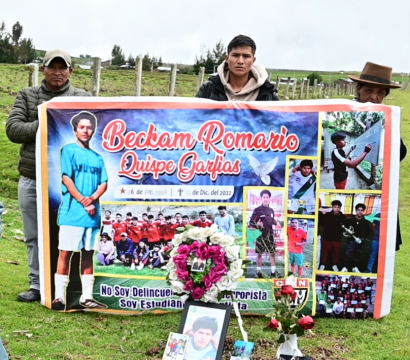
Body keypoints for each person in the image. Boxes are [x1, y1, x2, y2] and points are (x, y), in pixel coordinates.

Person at [6, 49, 91, 302]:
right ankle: (37, 285)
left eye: (62, 67)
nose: (57, 72)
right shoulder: (27, 95)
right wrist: (47, 119)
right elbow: (13, 129)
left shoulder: (82, 98)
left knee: (72, 233)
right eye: (51, 67)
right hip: (33, 178)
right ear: (43, 70)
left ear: (70, 71)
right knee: (33, 234)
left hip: (71, 181)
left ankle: (72, 285)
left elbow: (96, 127)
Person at [52, 111, 108, 311]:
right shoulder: (68, 150)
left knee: (88, 254)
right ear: (75, 129)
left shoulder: (97, 157)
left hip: (93, 215)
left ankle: (86, 297)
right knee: (65, 253)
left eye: (89, 127)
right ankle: (59, 297)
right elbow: (67, 178)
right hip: (73, 212)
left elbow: (104, 182)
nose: (86, 130)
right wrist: (84, 201)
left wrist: (92, 199)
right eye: (82, 127)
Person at [349, 61, 405, 251]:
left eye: (381, 92)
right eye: (369, 90)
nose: (374, 97)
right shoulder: (344, 111)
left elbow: (400, 154)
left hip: (382, 193)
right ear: (359, 88)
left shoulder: (387, 117)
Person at [196, 35, 279, 101]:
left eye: (246, 56)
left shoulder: (267, 92)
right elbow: (194, 118)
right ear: (227, 59)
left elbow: (280, 120)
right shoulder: (208, 89)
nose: (240, 61)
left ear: (253, 60)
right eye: (235, 55)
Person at [248, 190, 280, 278]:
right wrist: (257, 224)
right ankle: (258, 272)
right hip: (260, 236)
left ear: (269, 199)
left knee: (272, 253)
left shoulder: (271, 210)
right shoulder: (257, 210)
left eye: (267, 197)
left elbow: (271, 221)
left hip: (270, 236)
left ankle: (273, 272)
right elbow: (251, 223)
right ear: (261, 198)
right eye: (264, 197)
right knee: (259, 254)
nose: (265, 199)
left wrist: (276, 222)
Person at [341, 203, 371, 273]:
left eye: (361, 210)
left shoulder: (366, 222)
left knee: (358, 255)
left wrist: (363, 237)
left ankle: (355, 267)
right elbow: (345, 228)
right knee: (348, 254)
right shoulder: (350, 220)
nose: (360, 212)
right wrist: (348, 234)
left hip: (360, 241)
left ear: (363, 211)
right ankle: (345, 267)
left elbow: (368, 231)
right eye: (358, 210)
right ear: (356, 211)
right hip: (351, 241)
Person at [318, 200, 346, 272]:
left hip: (337, 239)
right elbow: (322, 223)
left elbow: (345, 227)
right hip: (327, 238)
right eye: (335, 207)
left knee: (336, 253)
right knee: (325, 252)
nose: (336, 208)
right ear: (332, 207)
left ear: (340, 208)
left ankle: (334, 265)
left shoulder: (343, 217)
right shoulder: (327, 216)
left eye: (338, 207)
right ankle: (323, 264)